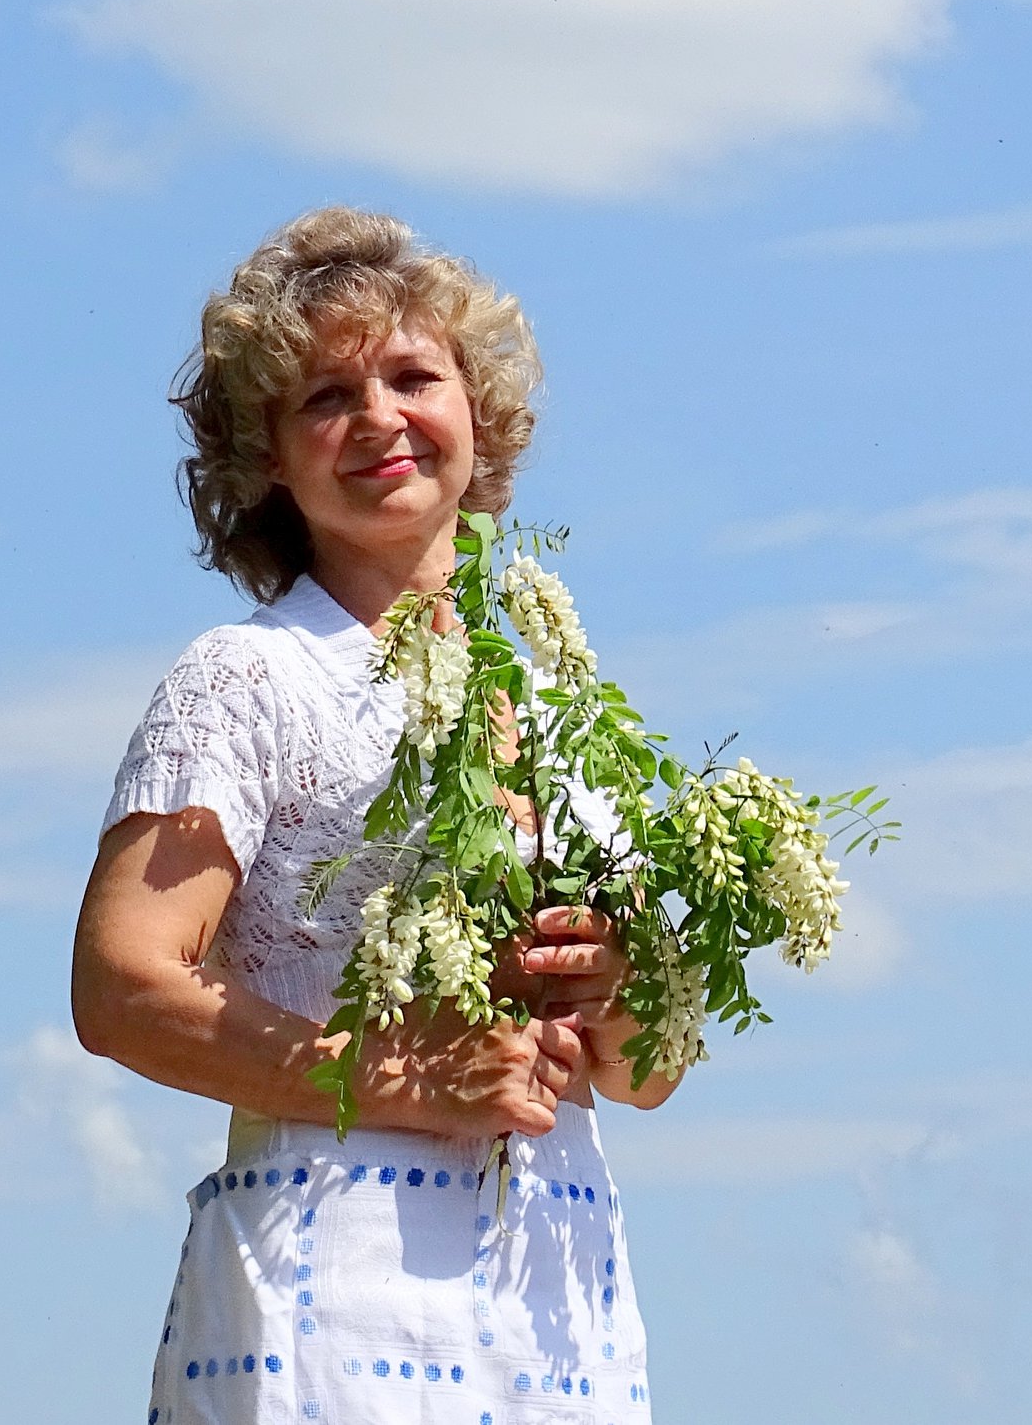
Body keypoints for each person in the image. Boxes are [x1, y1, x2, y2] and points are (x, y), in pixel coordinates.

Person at [72, 207, 678, 1425]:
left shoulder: (562, 703)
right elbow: (120, 987)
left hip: (559, 1296)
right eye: (325, 398)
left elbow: (650, 1072)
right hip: (330, 1290)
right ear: (269, 462)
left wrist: (616, 993)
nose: (380, 417)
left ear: (478, 415)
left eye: (413, 376)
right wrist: (404, 1077)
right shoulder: (245, 678)